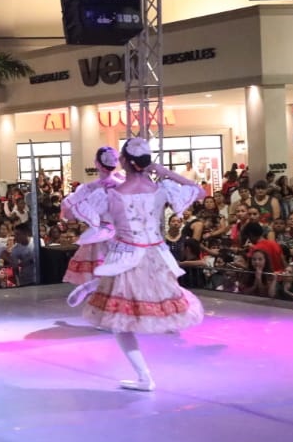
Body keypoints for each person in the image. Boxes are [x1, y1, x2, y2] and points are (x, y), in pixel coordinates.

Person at [64, 139, 205, 392]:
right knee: (151, 309)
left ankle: (143, 377)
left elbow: (69, 211)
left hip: (125, 256)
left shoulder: (110, 193)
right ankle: (143, 377)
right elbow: (199, 191)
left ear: (125, 161)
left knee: (119, 321)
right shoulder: (162, 188)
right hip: (155, 255)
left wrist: (90, 188)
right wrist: (165, 172)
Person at [60, 147, 122, 286]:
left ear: (97, 163)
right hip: (120, 235)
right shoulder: (122, 185)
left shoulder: (89, 188)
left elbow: (67, 210)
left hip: (99, 235)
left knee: (97, 281)